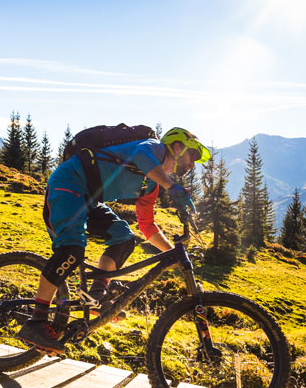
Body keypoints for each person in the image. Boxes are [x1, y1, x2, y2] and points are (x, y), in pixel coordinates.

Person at [18, 127, 211, 354]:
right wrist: (173, 187)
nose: (193, 164)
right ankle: (36, 322)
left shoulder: (151, 185)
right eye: (193, 155)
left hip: (88, 199)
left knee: (124, 237)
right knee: (72, 249)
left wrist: (174, 255)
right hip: (68, 184)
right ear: (177, 147)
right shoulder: (154, 147)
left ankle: (97, 294)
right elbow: (141, 156)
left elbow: (147, 226)